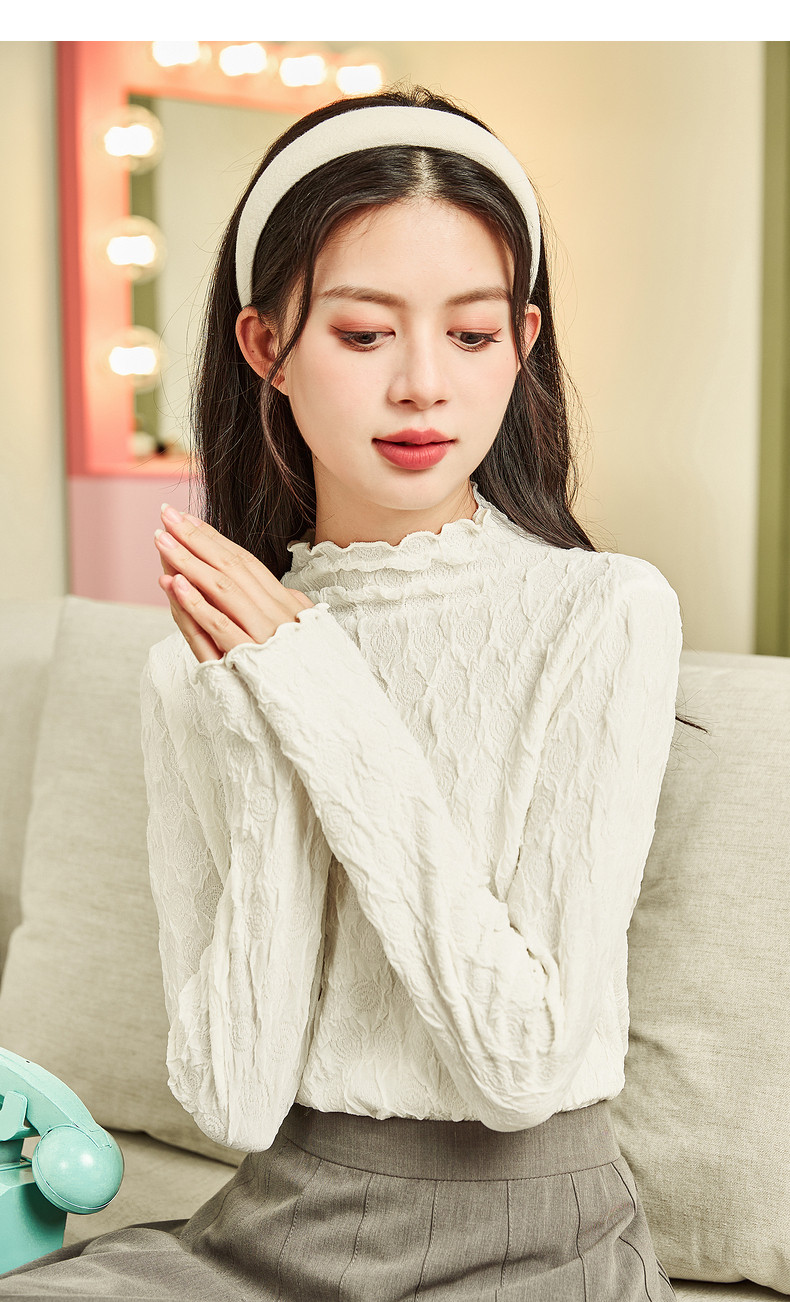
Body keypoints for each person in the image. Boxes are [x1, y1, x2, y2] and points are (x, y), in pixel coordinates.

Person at [0, 82, 693, 1299]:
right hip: (278, 1218)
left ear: (522, 342)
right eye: (365, 335)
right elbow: (231, 1094)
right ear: (264, 347)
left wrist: (316, 691)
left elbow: (519, 1065)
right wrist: (265, 725)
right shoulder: (202, 663)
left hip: (533, 1241)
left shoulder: (605, 612)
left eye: (471, 336)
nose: (423, 385)